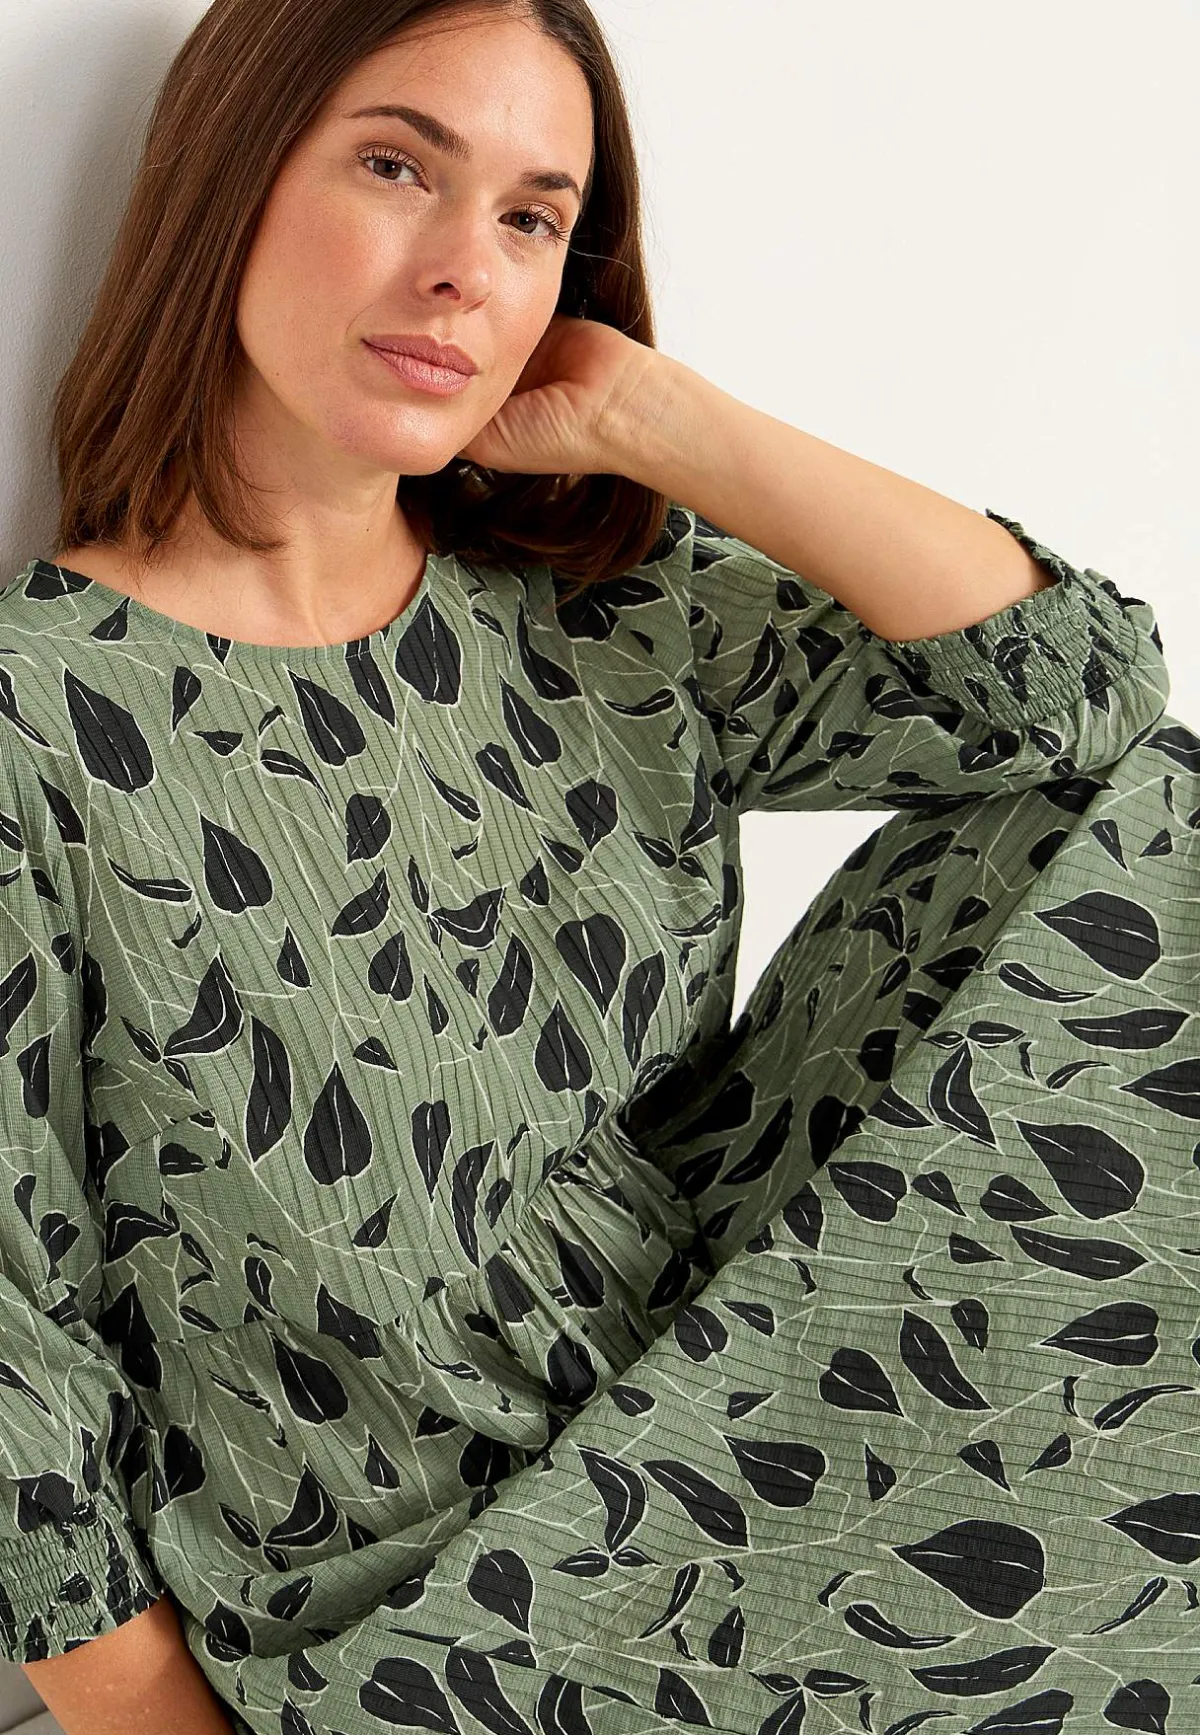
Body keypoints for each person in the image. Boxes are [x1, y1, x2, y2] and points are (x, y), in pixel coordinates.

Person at [0, 2, 1191, 1732]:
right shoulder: (37, 715)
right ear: (230, 174)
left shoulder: (603, 612)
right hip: (442, 1624)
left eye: (531, 218)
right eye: (396, 166)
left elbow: (1075, 693)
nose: (462, 270)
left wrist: (658, 416)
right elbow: (12, 1349)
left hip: (733, 1438)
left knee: (1134, 822)